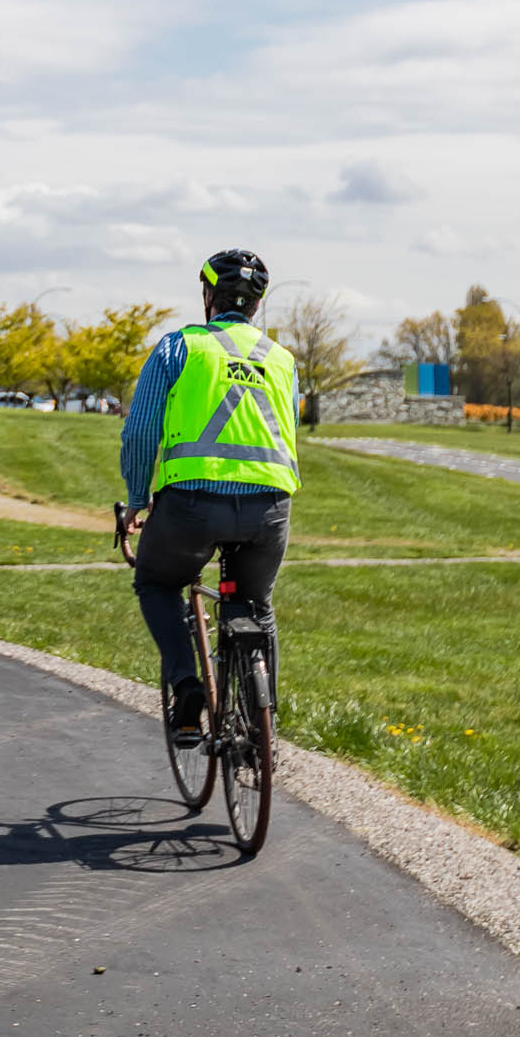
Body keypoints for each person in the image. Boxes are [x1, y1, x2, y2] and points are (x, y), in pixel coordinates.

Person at [117, 248, 301, 747]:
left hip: (191, 507)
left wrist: (136, 499)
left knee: (156, 584)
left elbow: (140, 433)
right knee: (256, 607)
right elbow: (289, 431)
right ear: (257, 306)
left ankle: (187, 687)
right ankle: (264, 729)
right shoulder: (282, 361)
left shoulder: (179, 348)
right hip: (269, 510)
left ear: (206, 296)